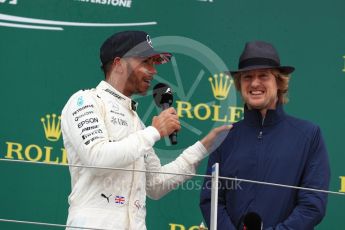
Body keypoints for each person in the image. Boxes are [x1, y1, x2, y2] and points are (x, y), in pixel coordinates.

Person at [61, 30, 229, 230]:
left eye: (155, 63)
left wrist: (203, 146)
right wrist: (154, 132)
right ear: (119, 64)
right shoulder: (85, 102)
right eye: (146, 62)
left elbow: (156, 184)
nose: (154, 71)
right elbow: (97, 159)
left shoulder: (136, 122)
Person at [199, 41, 331, 229]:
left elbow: (312, 205)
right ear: (240, 84)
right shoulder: (224, 137)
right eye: (247, 77)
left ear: (279, 82)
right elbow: (210, 200)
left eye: (263, 76)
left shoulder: (309, 135)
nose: (254, 83)